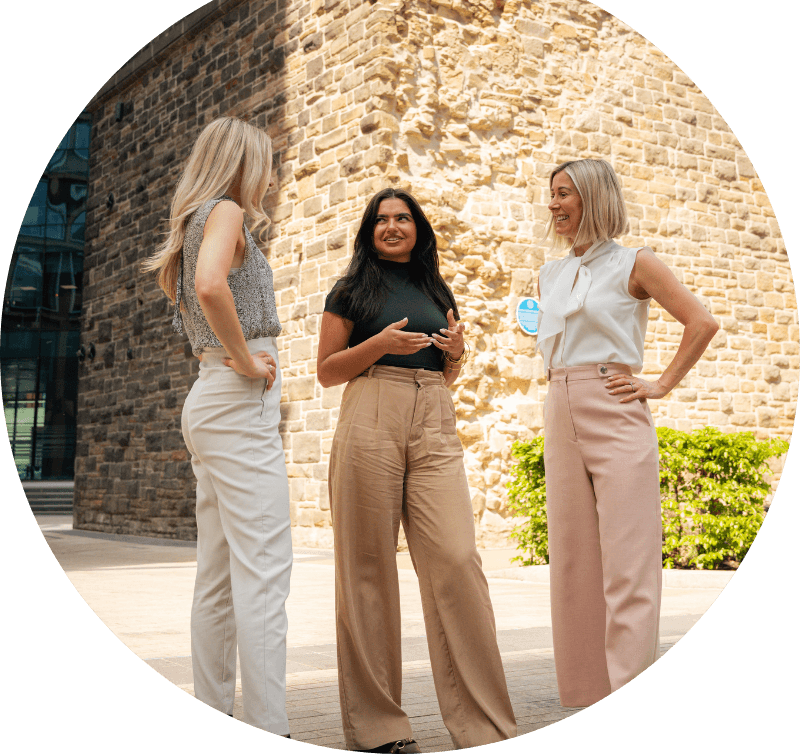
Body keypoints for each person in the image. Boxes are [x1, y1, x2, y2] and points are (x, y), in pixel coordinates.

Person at [317, 188, 517, 753]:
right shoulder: (351, 290)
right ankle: (379, 729)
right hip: (370, 409)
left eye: (402, 218)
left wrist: (456, 351)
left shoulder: (436, 287)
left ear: (418, 228)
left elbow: (447, 371)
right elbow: (327, 372)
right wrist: (378, 344)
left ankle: (483, 726)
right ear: (369, 231)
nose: (391, 226)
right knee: (367, 567)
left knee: (456, 558)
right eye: (381, 220)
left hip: (433, 410)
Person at [536, 159, 719, 707]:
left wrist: (659, 384)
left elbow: (701, 321)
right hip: (559, 404)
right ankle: (586, 697)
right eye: (551, 194)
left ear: (592, 197)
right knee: (571, 559)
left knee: (628, 561)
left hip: (614, 405)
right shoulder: (550, 272)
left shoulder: (635, 262)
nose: (553, 204)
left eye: (564, 193)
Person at [143, 116, 292, 736]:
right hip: (234, 397)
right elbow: (211, 287)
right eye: (266, 162)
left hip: (211, 398)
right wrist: (244, 359)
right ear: (241, 162)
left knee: (220, 573)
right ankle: (267, 725)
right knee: (264, 569)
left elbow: (202, 284)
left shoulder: (191, 222)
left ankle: (215, 714)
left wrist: (231, 363)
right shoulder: (225, 209)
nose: (271, 176)